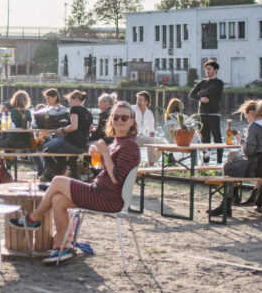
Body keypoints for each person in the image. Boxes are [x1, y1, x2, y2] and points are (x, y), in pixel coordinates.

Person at [11, 100, 141, 264]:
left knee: (57, 181)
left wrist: (105, 154)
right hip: (100, 191)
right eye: (116, 117)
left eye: (124, 118)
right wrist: (100, 156)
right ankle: (62, 247)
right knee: (58, 200)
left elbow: (116, 179)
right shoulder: (119, 142)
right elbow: (107, 171)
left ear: (132, 121)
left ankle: (33, 218)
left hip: (108, 198)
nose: (119, 121)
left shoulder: (129, 146)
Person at [218, 99, 262, 216]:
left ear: (252, 112)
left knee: (227, 166)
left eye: (245, 115)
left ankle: (227, 203)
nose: (246, 118)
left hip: (259, 167)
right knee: (234, 158)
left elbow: (248, 152)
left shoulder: (254, 126)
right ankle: (236, 197)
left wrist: (241, 140)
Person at [36, 90, 93, 179]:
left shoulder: (74, 109)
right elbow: (88, 130)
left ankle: (59, 170)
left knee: (45, 151)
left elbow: (74, 126)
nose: (69, 104)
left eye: (70, 101)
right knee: (67, 156)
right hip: (82, 145)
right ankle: (71, 175)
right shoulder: (89, 113)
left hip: (71, 142)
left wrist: (61, 130)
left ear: (77, 100)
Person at [189, 59, 224, 163]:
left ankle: (219, 163)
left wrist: (200, 93)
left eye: (209, 69)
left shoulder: (219, 83)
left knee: (217, 139)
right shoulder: (202, 82)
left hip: (214, 114)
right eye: (206, 69)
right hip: (202, 115)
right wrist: (200, 98)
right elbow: (191, 94)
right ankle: (206, 163)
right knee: (205, 140)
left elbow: (211, 90)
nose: (207, 71)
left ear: (215, 70)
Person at [131, 91, 162, 167]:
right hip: (133, 137)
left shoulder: (149, 113)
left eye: (140, 100)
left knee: (163, 144)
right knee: (150, 140)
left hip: (143, 137)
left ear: (146, 102)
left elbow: (151, 131)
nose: (138, 102)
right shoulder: (132, 109)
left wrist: (153, 143)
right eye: (137, 99)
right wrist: (151, 141)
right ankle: (152, 165)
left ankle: (149, 163)